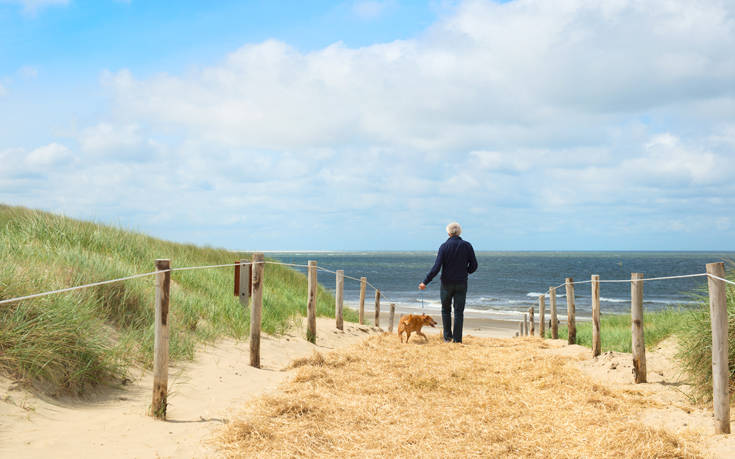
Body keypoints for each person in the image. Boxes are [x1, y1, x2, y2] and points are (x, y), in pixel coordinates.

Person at [419, 222, 478, 343]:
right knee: (458, 312)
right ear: (459, 232)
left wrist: (425, 282)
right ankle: (457, 340)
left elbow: (436, 267)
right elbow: (474, 266)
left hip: (446, 284)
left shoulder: (444, 246)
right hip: (461, 283)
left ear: (448, 233)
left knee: (446, 310)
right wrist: (466, 271)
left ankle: (447, 338)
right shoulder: (467, 246)